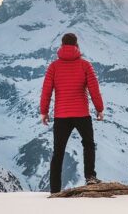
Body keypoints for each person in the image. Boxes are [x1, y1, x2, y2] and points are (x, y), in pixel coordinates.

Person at [40, 32, 105, 194]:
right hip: (82, 114)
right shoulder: (85, 65)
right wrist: (99, 109)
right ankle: (90, 177)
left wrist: (44, 112)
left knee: (58, 151)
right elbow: (94, 90)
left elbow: (46, 91)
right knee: (88, 144)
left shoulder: (53, 66)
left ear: (61, 45)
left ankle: (55, 189)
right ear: (76, 45)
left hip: (61, 116)